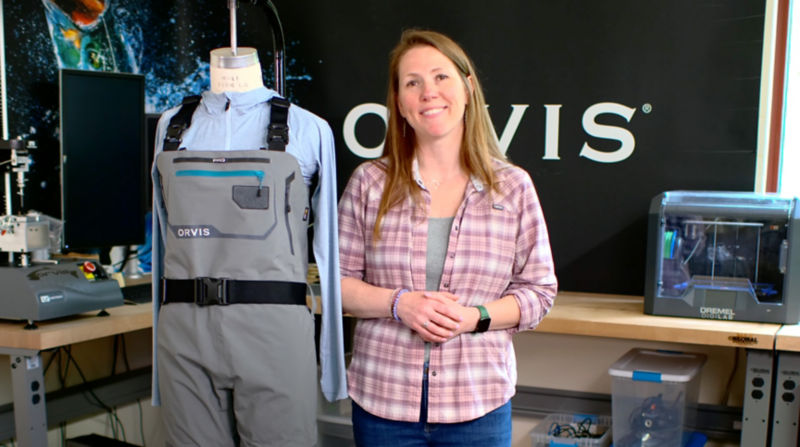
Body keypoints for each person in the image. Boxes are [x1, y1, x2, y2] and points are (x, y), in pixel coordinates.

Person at [338, 29, 558, 446]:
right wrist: (399, 303)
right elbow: (336, 285)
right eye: (412, 82)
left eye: (441, 77)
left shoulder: (512, 187)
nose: (428, 93)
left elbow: (540, 292)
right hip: (383, 402)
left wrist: (475, 317)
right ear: (400, 103)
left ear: (468, 88)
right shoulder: (370, 183)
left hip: (478, 403)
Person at [150, 45, 347, 446]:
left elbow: (327, 253)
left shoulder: (307, 128)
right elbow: (162, 239)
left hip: (273, 327)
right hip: (184, 328)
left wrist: (331, 369)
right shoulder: (171, 126)